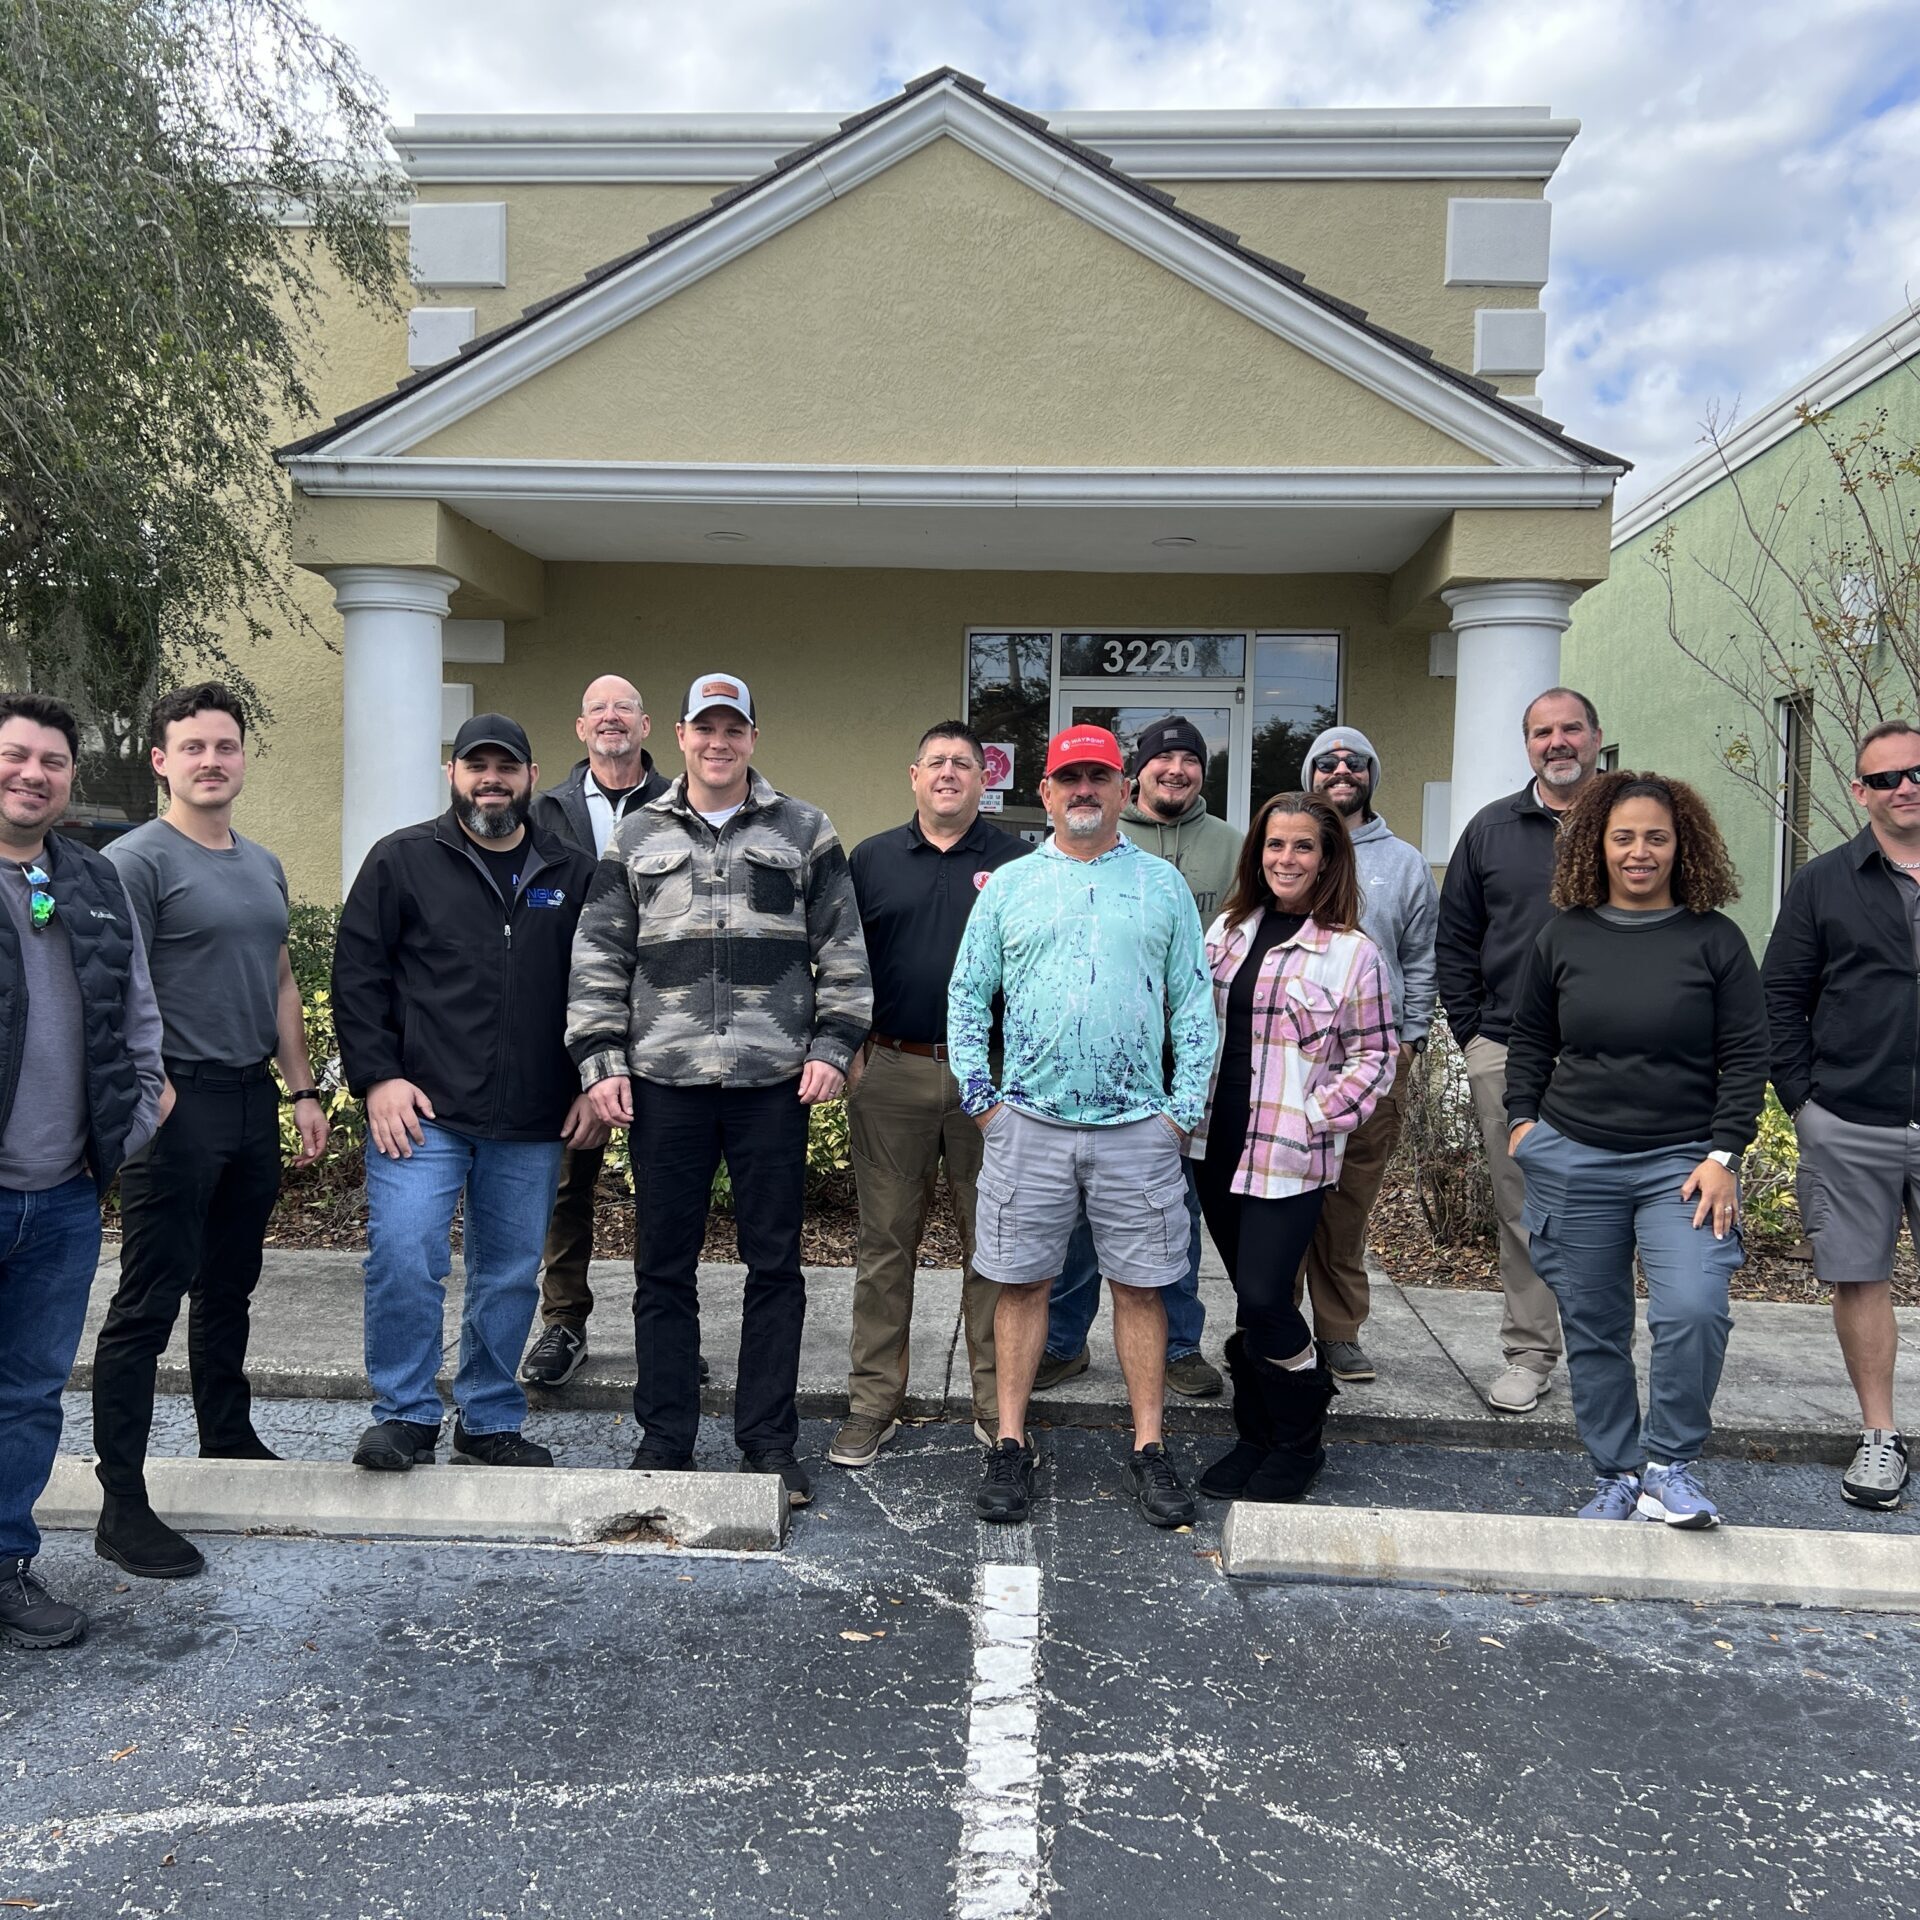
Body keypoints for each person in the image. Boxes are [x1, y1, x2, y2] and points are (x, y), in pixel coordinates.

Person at [570, 673, 872, 1508]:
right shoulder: (636, 835)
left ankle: (768, 1442)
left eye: (732, 728)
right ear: (680, 736)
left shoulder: (804, 830)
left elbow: (843, 950)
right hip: (664, 1086)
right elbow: (599, 955)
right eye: (705, 728)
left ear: (752, 738)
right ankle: (665, 1436)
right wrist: (600, 1060)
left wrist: (834, 1046)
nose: (718, 742)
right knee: (661, 1268)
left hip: (773, 1085)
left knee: (775, 1266)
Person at [89, 684, 328, 1582]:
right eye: (192, 747)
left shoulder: (263, 864)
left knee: (230, 1285)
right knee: (149, 1300)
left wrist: (302, 1090)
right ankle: (122, 1501)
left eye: (225, 745)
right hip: (174, 1104)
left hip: (250, 1099)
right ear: (161, 762)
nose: (211, 761)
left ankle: (227, 1434)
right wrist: (145, 1093)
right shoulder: (135, 861)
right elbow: (109, 986)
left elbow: (281, 981)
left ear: (242, 757)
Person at [948, 724, 1214, 1530]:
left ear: (1124, 790)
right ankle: (1009, 1442)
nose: (1085, 791)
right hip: (1028, 1123)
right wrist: (983, 1103)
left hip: (1138, 1129)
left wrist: (1180, 1114)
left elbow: (1193, 1004)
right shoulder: (1012, 885)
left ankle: (1149, 1446)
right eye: (1070, 778)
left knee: (1141, 1288)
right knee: (1022, 1284)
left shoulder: (1162, 886)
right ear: (1046, 793)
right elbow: (968, 996)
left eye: (1099, 777)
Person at [332, 713, 602, 1472]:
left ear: (530, 776)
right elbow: (358, 973)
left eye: (506, 767)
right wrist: (378, 1077)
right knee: (405, 1256)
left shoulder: (573, 873)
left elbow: (603, 987)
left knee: (510, 1275)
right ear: (452, 774)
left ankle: (487, 1418)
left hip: (534, 1116)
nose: (491, 780)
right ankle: (404, 1413)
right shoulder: (403, 859)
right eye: (476, 766)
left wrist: (592, 1080)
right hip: (423, 1111)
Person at [1505, 773, 1766, 1527]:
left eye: (1657, 837)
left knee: (1694, 1309)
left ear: (1684, 846)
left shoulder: (1714, 939)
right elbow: (1531, 1040)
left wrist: (1725, 1156)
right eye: (1623, 837)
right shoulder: (1564, 935)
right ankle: (1617, 1473)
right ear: (1598, 844)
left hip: (1683, 1164)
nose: (1639, 851)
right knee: (1595, 1327)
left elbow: (1748, 1055)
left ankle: (1669, 1468)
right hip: (1574, 1159)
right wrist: (1524, 1127)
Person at [0, 694, 166, 1651]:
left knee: (27, 1394)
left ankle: (4, 1565)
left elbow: (137, 1015)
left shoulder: (90, 877)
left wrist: (128, 1126)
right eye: (15, 755)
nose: (33, 774)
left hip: (64, 1196)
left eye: (52, 762)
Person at [830, 721, 1030, 1469]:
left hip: (994, 1080)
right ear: (914, 775)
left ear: (985, 779)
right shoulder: (871, 859)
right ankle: (872, 1403)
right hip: (893, 1070)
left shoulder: (1017, 862)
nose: (949, 773)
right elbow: (842, 961)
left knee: (997, 1247)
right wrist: (848, 1049)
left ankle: (998, 1407)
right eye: (936, 762)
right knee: (885, 1245)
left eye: (963, 764)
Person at [1187, 792, 1396, 1505]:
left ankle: (1300, 1442)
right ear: (1258, 853)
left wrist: (1317, 1117)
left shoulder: (1352, 953)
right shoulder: (1227, 931)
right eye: (1275, 845)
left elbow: (1375, 1055)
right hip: (1215, 1144)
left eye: (1304, 846)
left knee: (1266, 1296)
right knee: (1252, 1305)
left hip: (1288, 1153)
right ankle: (1256, 1437)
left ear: (1328, 857)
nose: (1287, 858)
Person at [1036, 716, 1235, 1400]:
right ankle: (1064, 1342)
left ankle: (1179, 1345)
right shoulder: (1091, 837)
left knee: (1170, 1214)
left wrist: (1188, 1098)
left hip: (1178, 1069)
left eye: (1189, 759)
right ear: (1136, 779)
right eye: (1162, 758)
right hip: (1089, 1070)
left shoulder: (1231, 847)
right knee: (1076, 1221)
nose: (1175, 769)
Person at [1763, 718, 1920, 1510]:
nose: (1905, 788)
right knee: (1860, 1279)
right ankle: (1880, 1437)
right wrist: (1805, 1103)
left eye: (1916, 773)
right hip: (1850, 1118)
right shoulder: (1823, 883)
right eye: (1886, 778)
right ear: (1860, 792)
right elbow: (1779, 998)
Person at [1436, 687, 1605, 1413]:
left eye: (1571, 729)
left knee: (1615, 1205)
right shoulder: (1490, 829)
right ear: (1527, 743)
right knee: (1523, 1206)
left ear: (1596, 735)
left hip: (1617, 1052)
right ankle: (1531, 1353)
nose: (1557, 742)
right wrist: (1473, 1033)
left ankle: (1602, 1356)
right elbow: (1455, 937)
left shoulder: (1634, 819)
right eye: (1542, 732)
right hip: (1507, 1049)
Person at [519, 674, 670, 1390]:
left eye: (624, 708)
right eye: (598, 709)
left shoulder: (681, 804)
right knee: (566, 1185)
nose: (612, 718)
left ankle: (666, 1331)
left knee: (667, 1188)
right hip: (570, 1023)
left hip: (666, 1024)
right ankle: (563, 1323)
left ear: (646, 726)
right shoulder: (541, 813)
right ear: (581, 729)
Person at [1299, 724, 1439, 1383]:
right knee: (1282, 1198)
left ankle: (1338, 1331)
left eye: (1355, 762)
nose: (1341, 771)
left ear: (1371, 776)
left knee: (1348, 1201)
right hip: (1290, 1059)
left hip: (1375, 1057)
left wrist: (1410, 1038)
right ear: (1310, 775)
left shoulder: (1404, 863)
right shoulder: (1290, 848)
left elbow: (1422, 955)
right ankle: (1275, 1326)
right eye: (1327, 762)